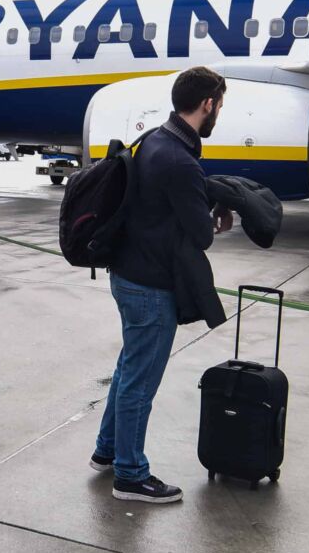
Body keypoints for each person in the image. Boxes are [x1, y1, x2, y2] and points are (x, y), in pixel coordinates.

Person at [91, 66, 233, 504]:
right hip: (151, 286)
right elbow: (202, 234)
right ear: (208, 104)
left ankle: (108, 451)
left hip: (128, 273)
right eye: (220, 105)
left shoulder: (155, 138)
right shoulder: (180, 159)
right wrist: (217, 217)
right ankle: (131, 476)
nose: (219, 114)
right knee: (140, 380)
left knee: (128, 368)